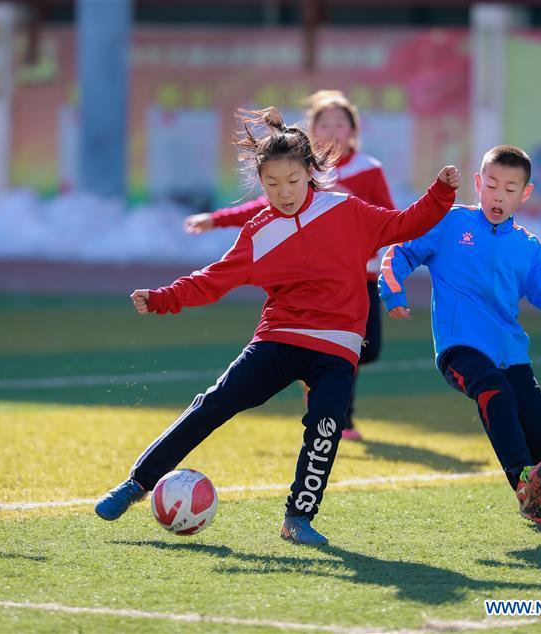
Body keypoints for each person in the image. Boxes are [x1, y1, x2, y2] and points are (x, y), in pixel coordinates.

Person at [95, 107, 460, 545]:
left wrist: (440, 193)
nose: (283, 193)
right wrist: (163, 298)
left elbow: (405, 224)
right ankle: (138, 482)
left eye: (292, 181)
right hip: (279, 338)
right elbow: (212, 281)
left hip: (338, 346)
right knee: (215, 402)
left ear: (311, 172)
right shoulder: (258, 231)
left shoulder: (347, 210)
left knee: (325, 430)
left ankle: (298, 519)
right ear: (260, 183)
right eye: (272, 184)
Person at [377, 144, 541, 529]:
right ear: (477, 183)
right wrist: (393, 292)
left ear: (525, 193)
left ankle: (533, 502)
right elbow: (399, 251)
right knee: (492, 389)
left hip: (512, 354)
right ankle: (522, 479)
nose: (498, 195)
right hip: (460, 349)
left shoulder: (529, 248)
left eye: (510, 188)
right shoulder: (449, 223)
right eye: (492, 184)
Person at [183, 90, 395, 441]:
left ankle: (314, 380)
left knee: (367, 348)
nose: (332, 130)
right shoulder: (295, 168)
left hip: (361, 272)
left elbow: (388, 215)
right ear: (312, 130)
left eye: (340, 123)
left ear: (353, 129)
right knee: (343, 348)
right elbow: (260, 209)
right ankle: (341, 420)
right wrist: (215, 220)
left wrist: (392, 252)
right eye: (324, 123)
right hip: (312, 276)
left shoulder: (368, 169)